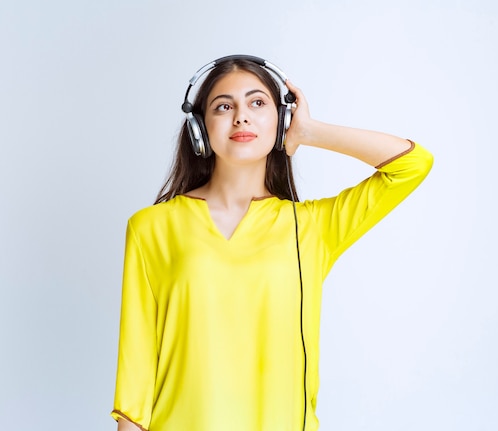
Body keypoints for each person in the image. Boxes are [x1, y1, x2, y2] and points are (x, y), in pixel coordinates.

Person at [111, 55, 433, 431]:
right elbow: (135, 378)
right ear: (200, 127)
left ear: (280, 121)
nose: (241, 117)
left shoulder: (312, 228)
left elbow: (412, 166)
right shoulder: (151, 227)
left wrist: (310, 131)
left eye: (258, 103)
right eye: (224, 106)